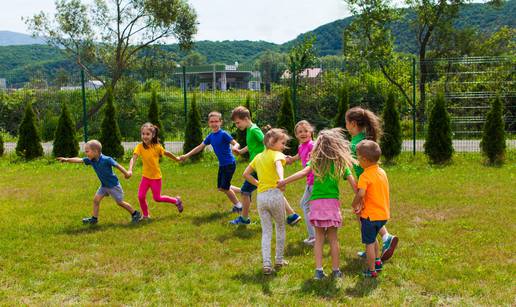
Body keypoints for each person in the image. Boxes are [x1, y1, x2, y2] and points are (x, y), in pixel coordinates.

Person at [278, 128, 357, 280]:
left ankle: (319, 271)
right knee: (333, 238)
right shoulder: (341, 163)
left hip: (316, 203)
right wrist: (361, 197)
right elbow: (354, 185)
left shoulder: (314, 161)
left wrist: (283, 181)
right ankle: (336, 271)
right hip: (332, 203)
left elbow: (302, 173)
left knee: (319, 238)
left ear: (318, 145)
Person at [229, 106, 300, 226]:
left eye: (238, 122)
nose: (237, 125)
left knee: (245, 192)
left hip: (259, 166)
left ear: (246, 118)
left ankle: (244, 219)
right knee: (273, 189)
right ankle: (292, 215)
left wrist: (281, 155)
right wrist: (241, 152)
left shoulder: (254, 130)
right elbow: (252, 145)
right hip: (259, 165)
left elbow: (269, 143)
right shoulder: (250, 130)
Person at [346, 106, 398, 261]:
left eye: (346, 123)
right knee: (372, 217)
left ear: (353, 124)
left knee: (365, 219)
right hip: (374, 180)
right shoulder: (365, 137)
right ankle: (375, 246)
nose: (346, 126)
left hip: (365, 184)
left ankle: (375, 247)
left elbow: (348, 164)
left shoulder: (355, 144)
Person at [57, 140, 141, 224]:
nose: (86, 154)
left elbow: (117, 165)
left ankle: (135, 213)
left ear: (95, 151)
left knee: (120, 202)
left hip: (113, 186)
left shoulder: (106, 159)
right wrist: (67, 159)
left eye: (87, 151)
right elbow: (79, 160)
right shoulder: (91, 159)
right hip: (104, 186)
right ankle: (94, 219)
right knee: (96, 200)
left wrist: (126, 173)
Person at [243, 129, 290, 275]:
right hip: (276, 195)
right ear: (271, 142)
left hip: (261, 197)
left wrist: (258, 184)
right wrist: (281, 179)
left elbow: (245, 174)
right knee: (281, 227)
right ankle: (279, 260)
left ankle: (266, 264)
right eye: (282, 143)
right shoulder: (277, 155)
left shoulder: (258, 157)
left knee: (266, 231)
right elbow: (278, 165)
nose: (283, 146)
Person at [180, 111, 243, 212]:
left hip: (229, 164)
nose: (214, 123)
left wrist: (235, 148)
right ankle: (243, 191)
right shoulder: (210, 136)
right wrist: (186, 155)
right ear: (209, 123)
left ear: (220, 122)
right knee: (221, 188)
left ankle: (239, 206)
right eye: (212, 121)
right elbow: (200, 147)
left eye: (216, 121)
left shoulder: (223, 134)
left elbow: (236, 143)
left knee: (225, 188)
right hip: (223, 165)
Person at [350, 140, 391, 278]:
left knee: (369, 243)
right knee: (374, 238)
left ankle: (371, 270)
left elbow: (361, 193)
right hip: (382, 214)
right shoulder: (382, 172)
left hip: (369, 216)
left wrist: (354, 203)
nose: (357, 160)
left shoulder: (365, 175)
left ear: (365, 160)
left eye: (358, 157)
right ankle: (378, 262)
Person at [128, 123, 183, 219]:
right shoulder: (140, 147)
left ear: (153, 135)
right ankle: (146, 215)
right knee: (141, 196)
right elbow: (134, 158)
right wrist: (130, 169)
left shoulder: (157, 147)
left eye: (147, 134)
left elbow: (166, 153)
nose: (145, 136)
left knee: (157, 198)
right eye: (143, 134)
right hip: (145, 177)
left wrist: (176, 158)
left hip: (156, 178)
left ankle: (176, 201)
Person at [285, 120, 316, 245]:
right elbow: (299, 155)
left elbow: (315, 158)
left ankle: (314, 236)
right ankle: (320, 231)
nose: (303, 134)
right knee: (308, 205)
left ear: (311, 132)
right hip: (310, 181)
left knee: (305, 205)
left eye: (306, 131)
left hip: (314, 180)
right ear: (296, 135)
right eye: (300, 132)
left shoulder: (312, 145)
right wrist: (291, 159)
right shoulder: (301, 146)